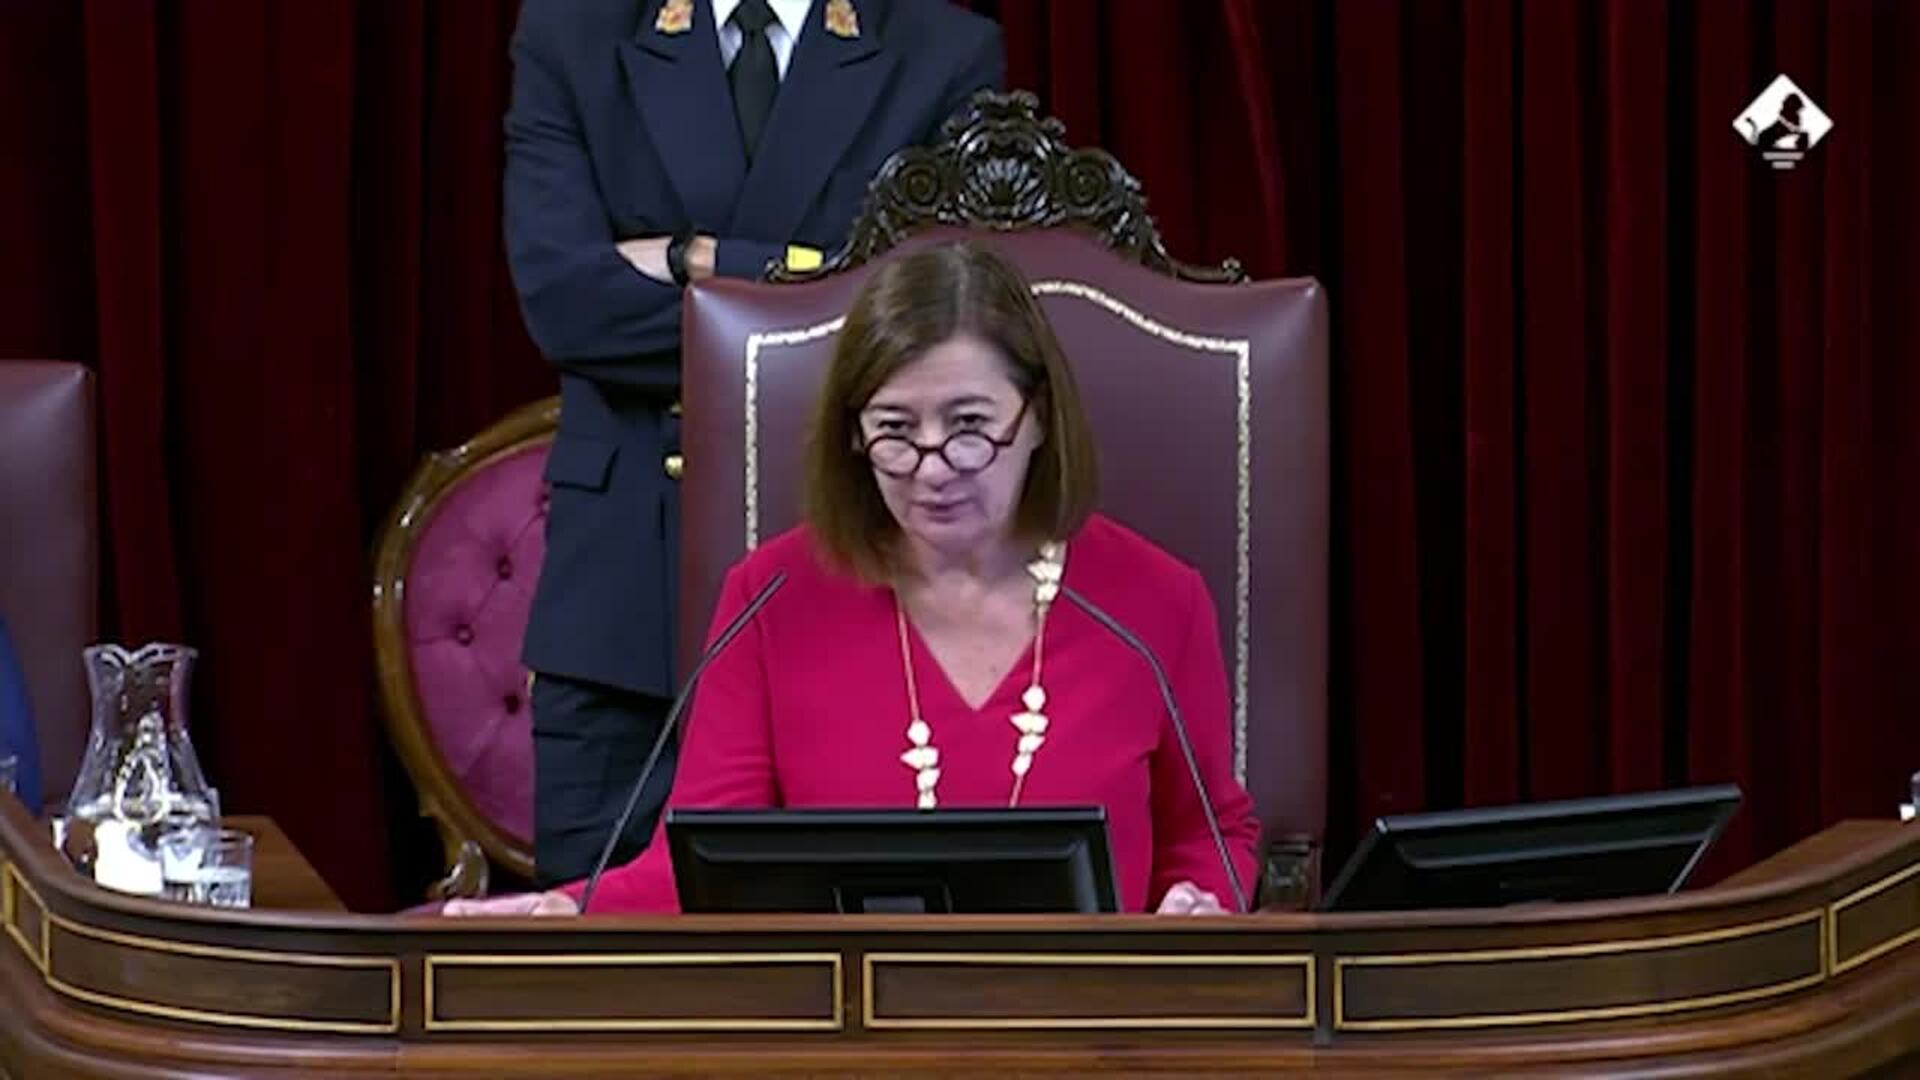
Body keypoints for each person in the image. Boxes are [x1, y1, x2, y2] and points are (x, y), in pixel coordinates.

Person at [447, 242, 1261, 917]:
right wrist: (569, 910)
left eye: (970, 427)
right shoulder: (769, 598)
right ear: (854, 435)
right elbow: (700, 861)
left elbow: (1210, 832)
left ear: (1039, 416)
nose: (932, 468)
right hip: (842, 1025)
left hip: (1087, 1027)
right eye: (895, 430)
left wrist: (1198, 903)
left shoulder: (1155, 600)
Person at [504, 0, 1004, 886]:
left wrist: (692, 258)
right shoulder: (574, 33)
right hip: (624, 606)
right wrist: (815, 276)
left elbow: (930, 323)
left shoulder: (942, 50)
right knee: (593, 949)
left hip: (850, 579)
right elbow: (568, 306)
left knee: (836, 951)